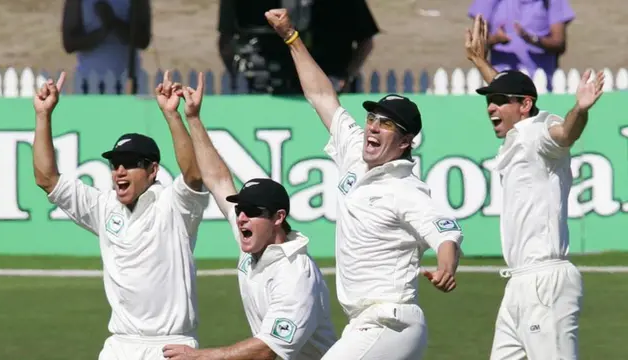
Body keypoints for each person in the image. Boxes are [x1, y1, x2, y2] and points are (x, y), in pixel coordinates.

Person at [265, 9, 465, 360]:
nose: (372, 127)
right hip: (362, 323)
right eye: (372, 118)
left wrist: (447, 266)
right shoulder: (355, 154)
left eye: (386, 124)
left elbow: (445, 233)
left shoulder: (406, 189)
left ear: (405, 143)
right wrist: (291, 38)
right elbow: (321, 96)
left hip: (391, 323)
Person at [32, 70, 209, 359]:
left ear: (152, 171)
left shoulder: (174, 206)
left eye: (130, 163)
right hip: (120, 345)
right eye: (115, 164)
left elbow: (193, 173)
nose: (119, 172)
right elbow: (46, 179)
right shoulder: (104, 208)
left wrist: (172, 115)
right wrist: (43, 115)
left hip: (170, 345)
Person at [161, 73, 337, 360]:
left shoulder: (295, 274)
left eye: (253, 212)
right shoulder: (256, 239)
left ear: (278, 218)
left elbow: (268, 350)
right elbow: (218, 180)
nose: (241, 217)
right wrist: (192, 118)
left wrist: (200, 357)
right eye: (240, 209)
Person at [465, 15, 605, 360]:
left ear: (525, 105)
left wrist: (581, 109)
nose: (491, 108)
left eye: (498, 101)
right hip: (519, 284)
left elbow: (566, 134)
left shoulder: (541, 131)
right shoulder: (518, 130)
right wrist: (480, 61)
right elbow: (506, 89)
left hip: (546, 281)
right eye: (488, 101)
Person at [467, 0, 575, 90]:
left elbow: (559, 43)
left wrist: (533, 40)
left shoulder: (552, 2)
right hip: (500, 79)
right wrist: (496, 39)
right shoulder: (488, 2)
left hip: (541, 81)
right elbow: (475, 43)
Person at [61, 0, 152, 94]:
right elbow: (69, 44)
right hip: (88, 82)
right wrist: (101, 33)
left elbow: (143, 40)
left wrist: (113, 22)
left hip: (127, 82)